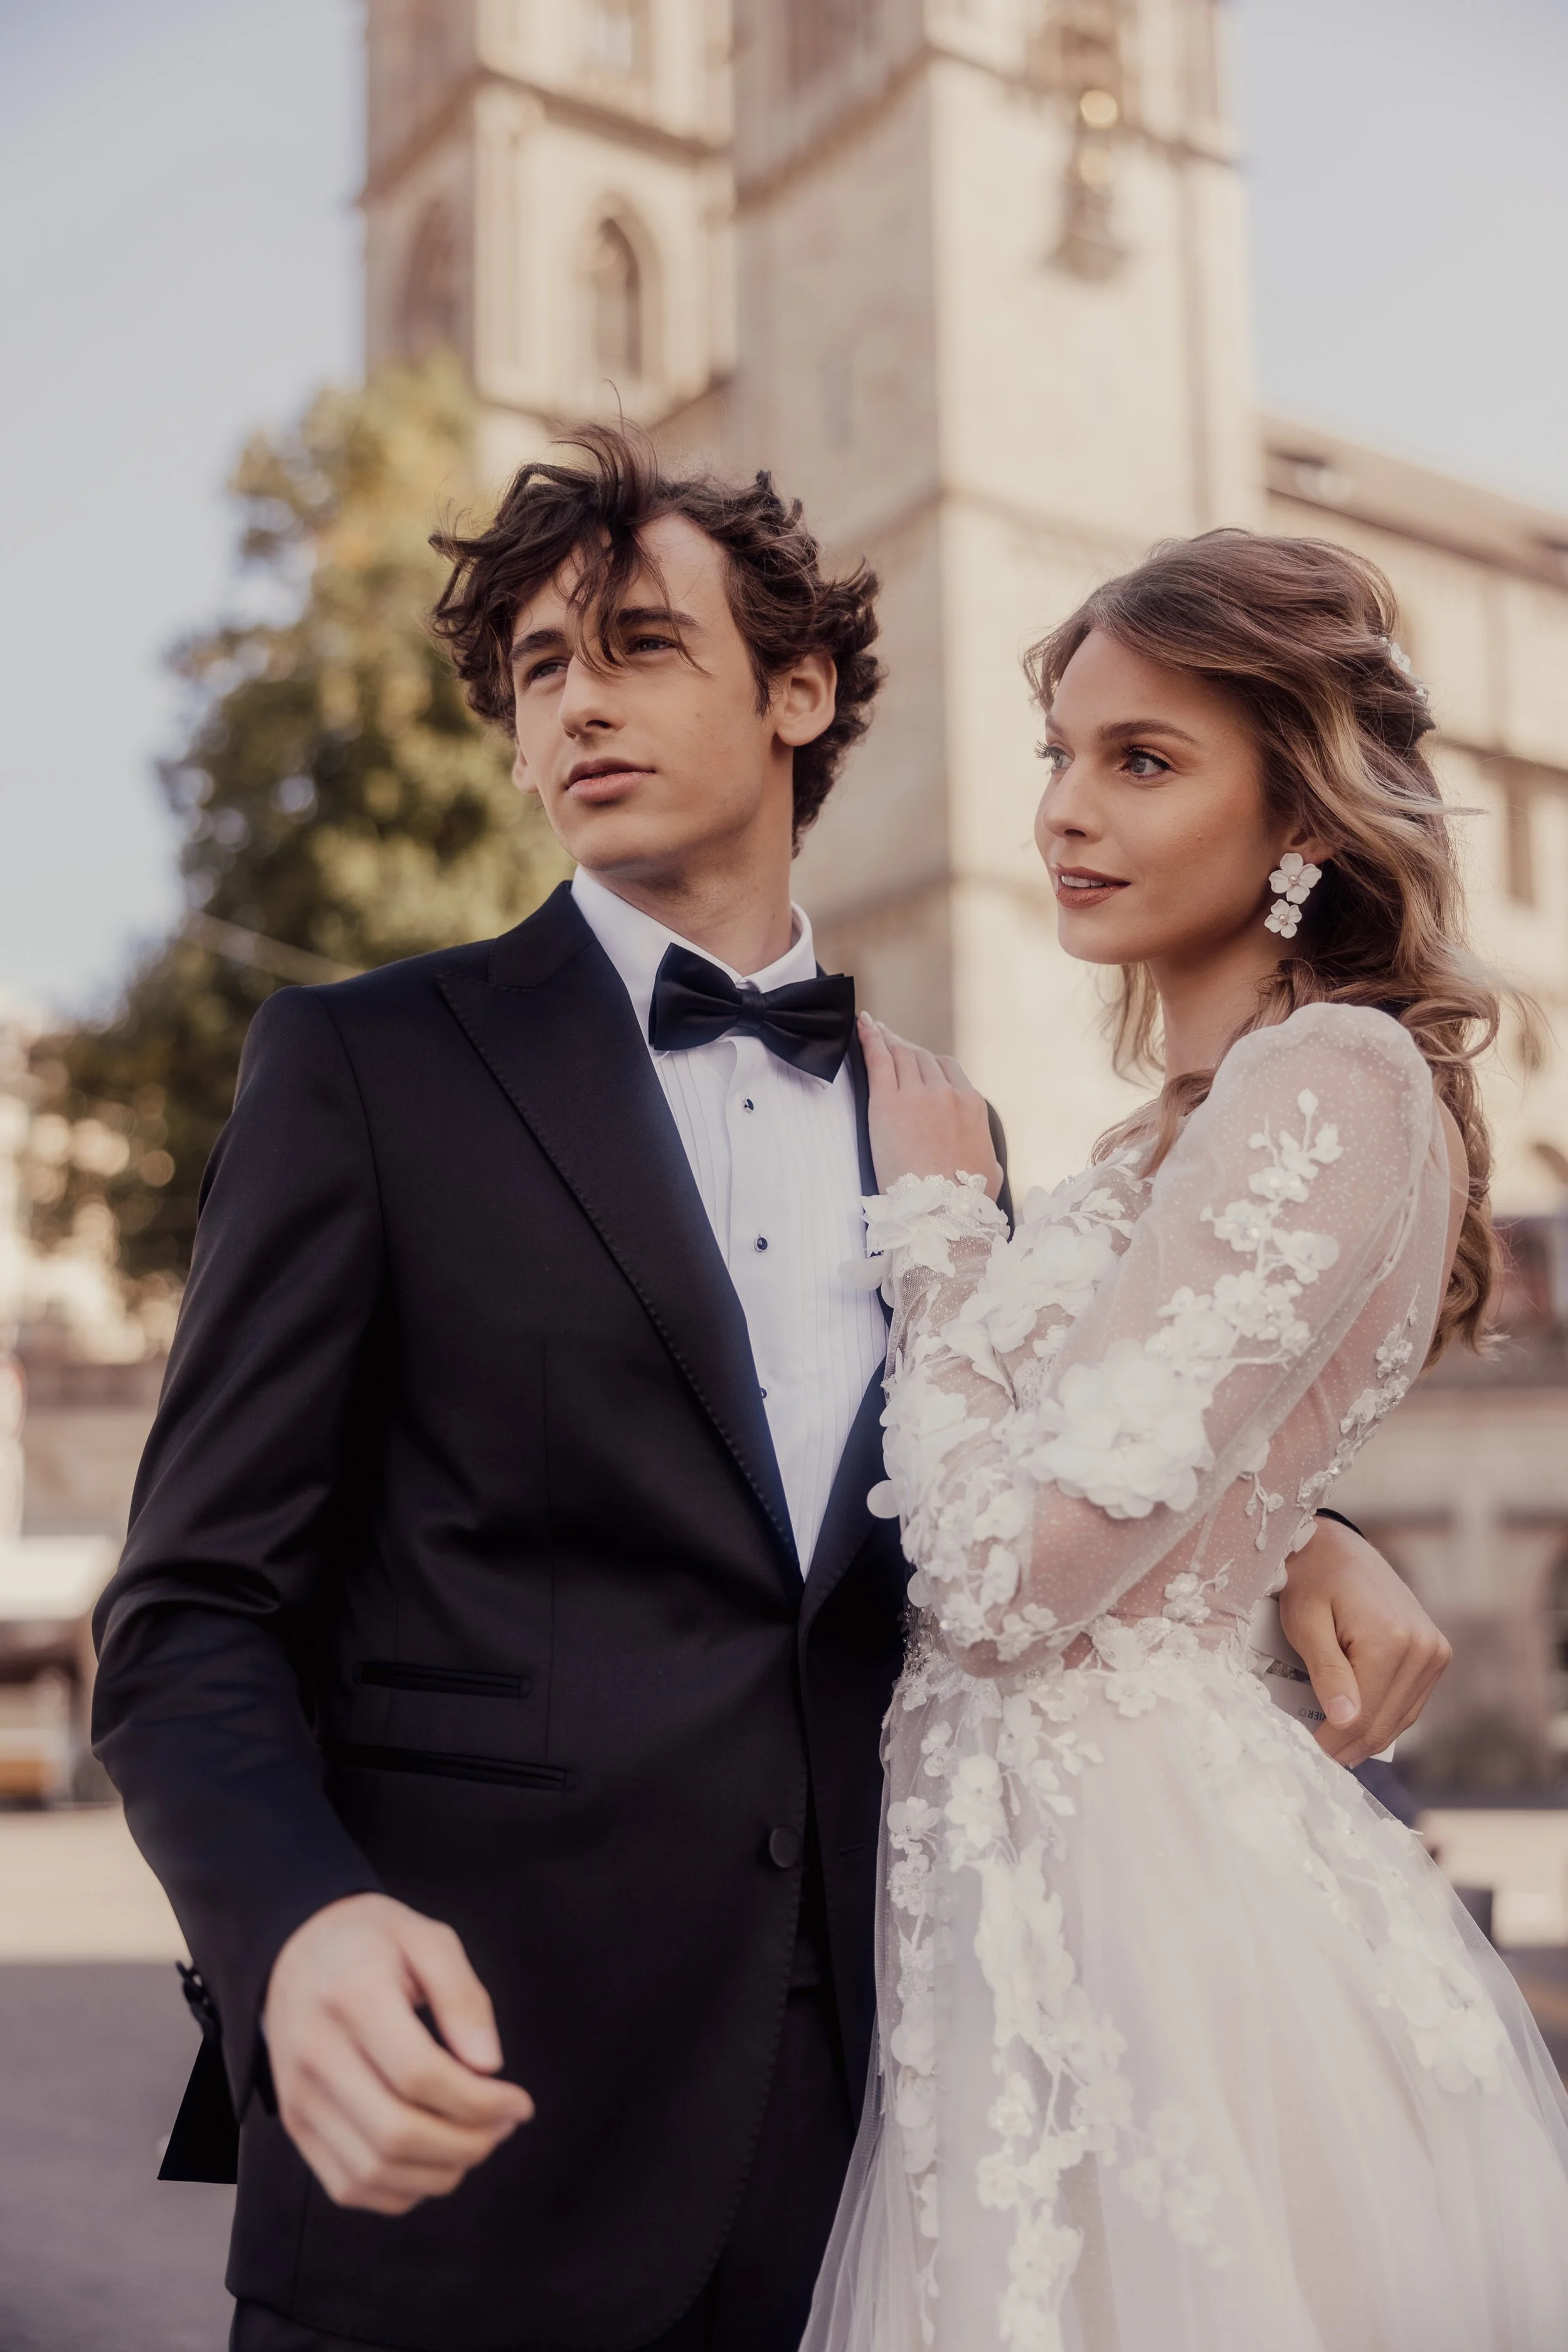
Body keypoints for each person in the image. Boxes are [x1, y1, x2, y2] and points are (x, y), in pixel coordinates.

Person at [93, 434, 1450, 2352]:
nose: (575, 701)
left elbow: (1034, 1480)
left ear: (797, 690)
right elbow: (185, 1616)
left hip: (873, 2159)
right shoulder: (361, 1067)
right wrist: (288, 1925)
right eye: (539, 667)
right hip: (465, 2140)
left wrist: (1294, 1525)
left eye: (637, 644)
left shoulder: (948, 1138)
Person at [804, 531, 1568, 2351]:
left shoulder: (1327, 1081)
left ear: (1299, 819)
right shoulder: (1198, 1118)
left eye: (1142, 761)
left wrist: (935, 1240)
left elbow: (997, 1583)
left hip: (1128, 1899)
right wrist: (1300, 1530)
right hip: (1019, 1869)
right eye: (1059, 752)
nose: (1067, 807)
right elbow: (1183, 1445)